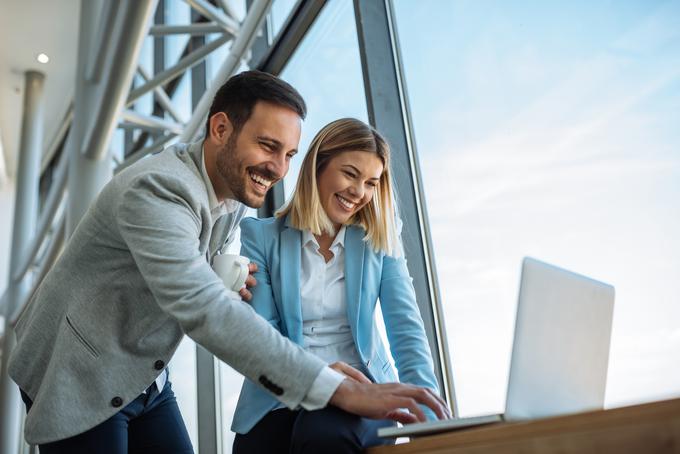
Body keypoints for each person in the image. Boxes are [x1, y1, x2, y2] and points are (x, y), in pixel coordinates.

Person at [7, 71, 448, 453]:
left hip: (145, 374)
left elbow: (194, 274)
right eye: (268, 145)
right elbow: (204, 309)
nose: (277, 168)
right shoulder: (159, 189)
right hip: (81, 366)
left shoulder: (235, 191)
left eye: (289, 155)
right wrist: (339, 390)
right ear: (220, 128)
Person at [232, 118, 442, 453]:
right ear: (318, 166)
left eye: (372, 183)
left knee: (323, 434)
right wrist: (318, 377)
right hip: (279, 394)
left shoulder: (379, 240)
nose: (360, 192)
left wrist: (431, 420)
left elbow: (406, 330)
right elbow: (263, 333)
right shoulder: (261, 237)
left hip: (363, 391)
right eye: (350, 174)